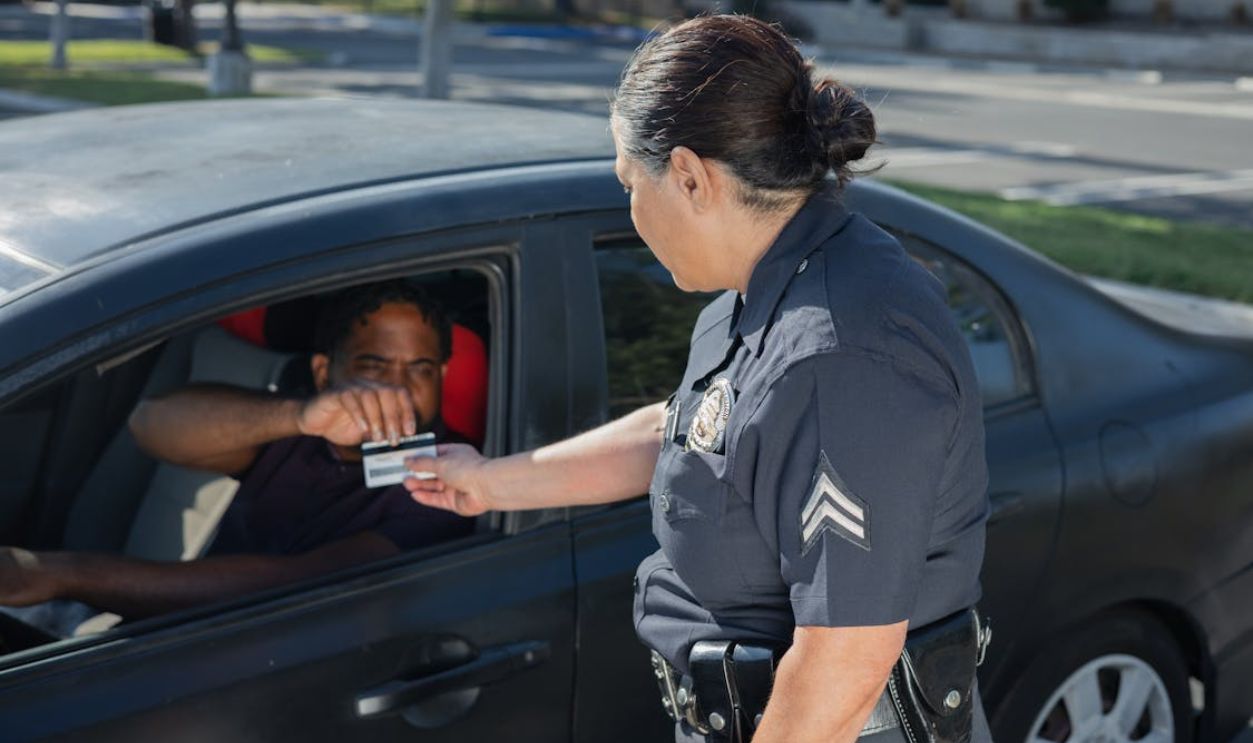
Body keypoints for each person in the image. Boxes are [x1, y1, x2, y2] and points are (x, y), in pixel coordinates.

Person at [404, 15, 991, 743]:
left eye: (628, 182)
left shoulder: (838, 356)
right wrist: (491, 481)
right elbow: (692, 429)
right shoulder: (763, 290)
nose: (630, 208)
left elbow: (843, 658)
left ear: (688, 176)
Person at [0, 281, 474, 629]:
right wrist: (300, 416)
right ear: (324, 372)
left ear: (443, 375)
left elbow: (289, 585)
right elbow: (152, 425)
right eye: (373, 365)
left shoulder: (447, 477)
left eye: (420, 369)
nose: (394, 386)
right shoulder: (306, 428)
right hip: (174, 640)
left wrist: (65, 573)